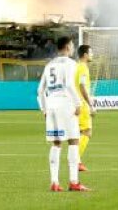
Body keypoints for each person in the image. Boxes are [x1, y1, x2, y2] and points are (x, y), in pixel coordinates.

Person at [37, 37, 88, 192]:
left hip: (51, 106)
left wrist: (44, 109)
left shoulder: (49, 65)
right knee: (74, 141)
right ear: (67, 47)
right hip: (66, 105)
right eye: (72, 46)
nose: (73, 48)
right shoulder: (71, 64)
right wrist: (78, 103)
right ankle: (74, 182)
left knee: (56, 144)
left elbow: (40, 91)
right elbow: (68, 85)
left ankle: (54, 182)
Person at [74, 44, 96, 172]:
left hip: (75, 103)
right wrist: (90, 104)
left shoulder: (76, 67)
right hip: (82, 104)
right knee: (87, 132)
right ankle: (75, 160)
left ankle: (77, 160)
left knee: (78, 134)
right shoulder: (83, 68)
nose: (92, 55)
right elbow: (82, 86)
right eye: (91, 53)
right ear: (85, 55)